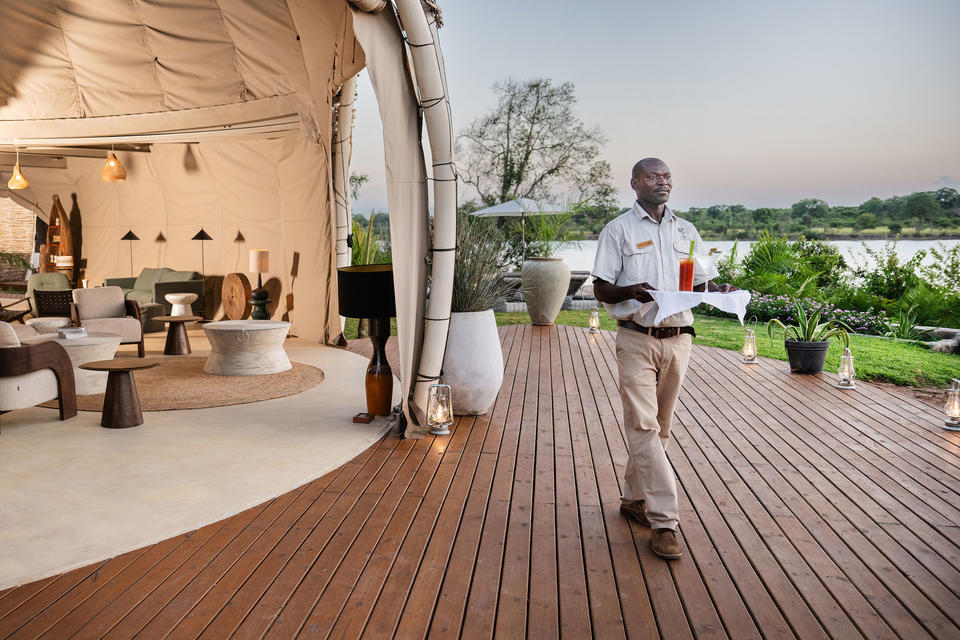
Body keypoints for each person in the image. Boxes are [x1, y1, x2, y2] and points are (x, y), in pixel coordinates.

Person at [591, 157, 736, 560]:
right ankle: (665, 522)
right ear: (635, 183)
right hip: (637, 338)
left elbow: (698, 282)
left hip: (679, 339)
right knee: (643, 425)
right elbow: (601, 288)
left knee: (662, 428)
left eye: (667, 176)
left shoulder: (686, 230)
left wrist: (718, 289)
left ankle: (633, 498)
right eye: (653, 176)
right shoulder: (618, 229)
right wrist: (631, 290)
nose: (663, 181)